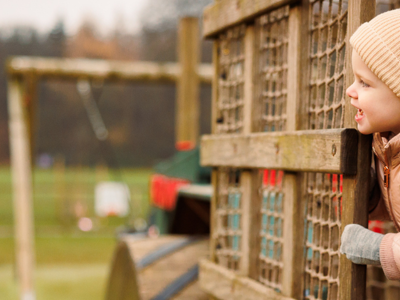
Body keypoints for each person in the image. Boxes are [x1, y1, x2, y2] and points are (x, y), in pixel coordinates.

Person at [340, 8, 400, 280]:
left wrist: (378, 248)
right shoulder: (388, 144)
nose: (350, 91)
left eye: (364, 83)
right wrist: (372, 198)